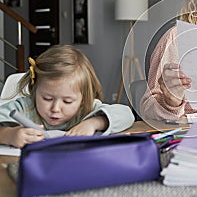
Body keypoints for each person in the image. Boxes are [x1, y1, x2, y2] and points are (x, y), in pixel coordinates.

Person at [0, 45, 135, 148]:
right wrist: (8, 135)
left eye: (67, 101)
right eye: (47, 98)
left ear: (83, 98)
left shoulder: (87, 109)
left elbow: (127, 115)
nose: (56, 108)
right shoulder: (24, 108)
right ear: (34, 91)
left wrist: (95, 122)